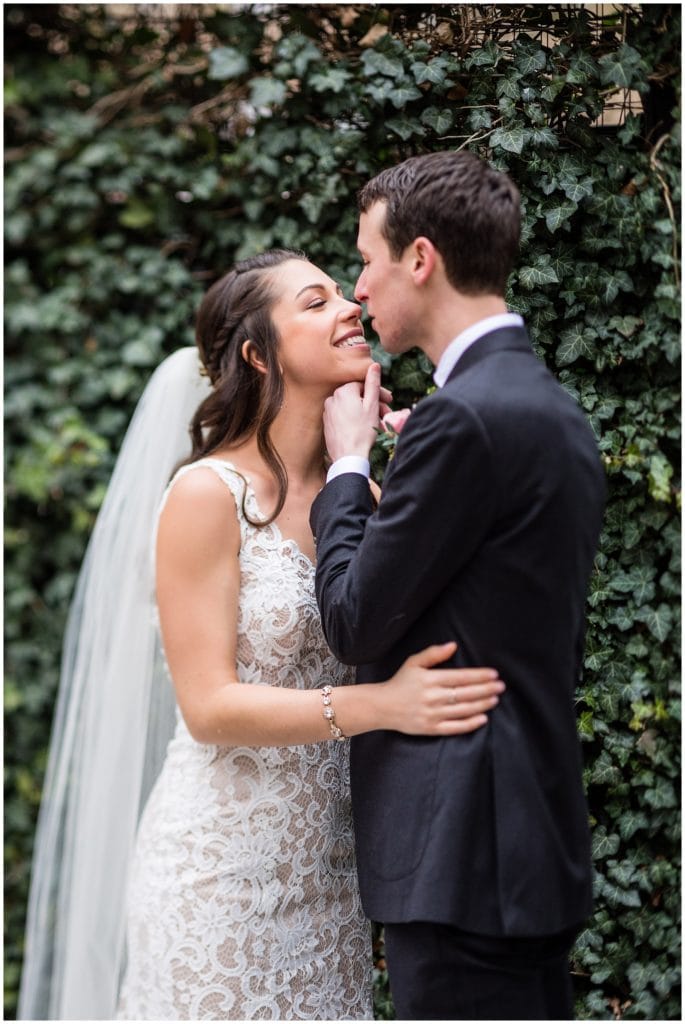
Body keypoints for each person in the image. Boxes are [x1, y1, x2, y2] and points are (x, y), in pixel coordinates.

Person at [18, 249, 506, 1021]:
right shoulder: (206, 495)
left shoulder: (364, 494)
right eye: (315, 302)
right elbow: (209, 706)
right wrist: (383, 706)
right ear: (257, 353)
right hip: (216, 883)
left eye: (342, 293)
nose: (349, 306)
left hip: (331, 886)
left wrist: (414, 467)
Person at [310, 152, 607, 1020]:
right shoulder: (542, 406)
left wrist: (345, 469)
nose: (358, 289)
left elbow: (355, 620)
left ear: (420, 258)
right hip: (519, 843)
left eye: (366, 259)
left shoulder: (467, 419)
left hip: (464, 856)